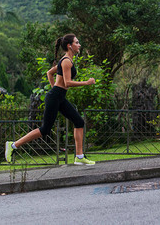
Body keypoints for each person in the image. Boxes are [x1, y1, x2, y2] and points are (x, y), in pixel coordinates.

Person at [5, 34, 96, 165]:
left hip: (59, 97)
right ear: (70, 46)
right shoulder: (66, 61)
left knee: (79, 122)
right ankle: (13, 145)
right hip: (55, 97)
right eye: (77, 42)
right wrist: (86, 83)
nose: (79, 45)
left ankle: (80, 157)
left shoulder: (66, 60)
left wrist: (56, 89)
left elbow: (49, 73)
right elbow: (68, 82)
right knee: (45, 130)